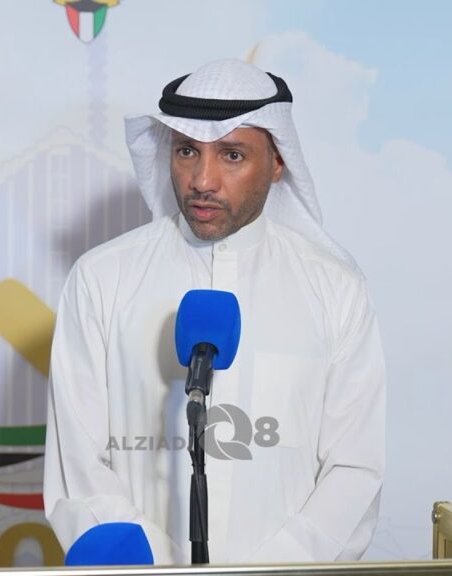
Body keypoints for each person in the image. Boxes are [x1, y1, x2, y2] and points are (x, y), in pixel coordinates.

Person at [43, 59, 386, 565]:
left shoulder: (336, 290)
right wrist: (163, 574)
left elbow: (353, 471)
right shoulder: (101, 280)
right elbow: (79, 467)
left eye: (232, 155)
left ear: (277, 162)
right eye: (187, 151)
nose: (203, 180)